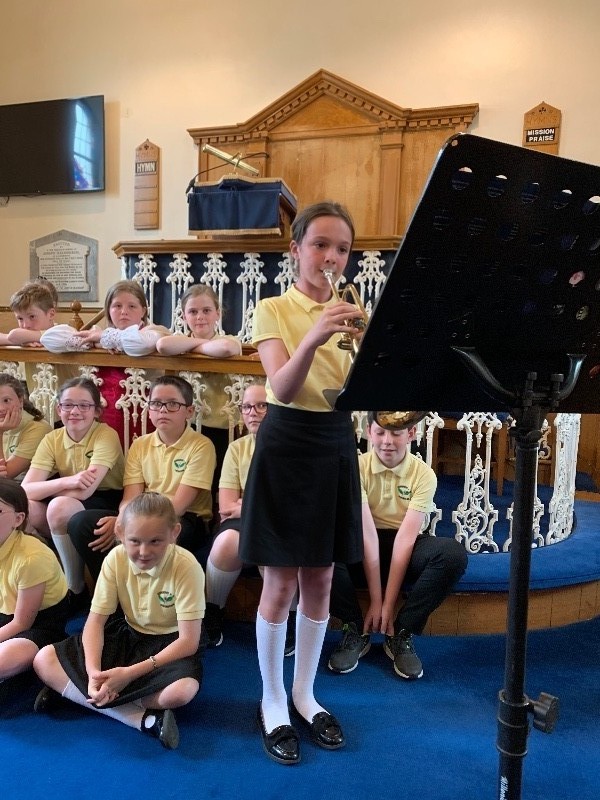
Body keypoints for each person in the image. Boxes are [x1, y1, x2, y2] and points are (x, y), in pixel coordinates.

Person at [238, 201, 364, 765]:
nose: (331, 257)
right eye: (320, 245)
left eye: (342, 249)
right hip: (287, 440)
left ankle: (305, 694)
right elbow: (283, 388)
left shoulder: (353, 311)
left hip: (335, 440)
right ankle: (272, 701)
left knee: (321, 577)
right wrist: (315, 334)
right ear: (295, 250)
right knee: (280, 582)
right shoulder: (272, 308)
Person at [33, 492, 205, 750]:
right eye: (134, 541)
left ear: (174, 533)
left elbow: (188, 642)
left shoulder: (186, 566)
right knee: (43, 659)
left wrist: (128, 674)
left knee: (181, 692)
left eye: (155, 541)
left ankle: (76, 694)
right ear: (121, 533)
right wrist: (93, 673)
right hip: (128, 634)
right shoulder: (115, 559)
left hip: (169, 646)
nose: (144, 552)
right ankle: (143, 720)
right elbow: (95, 622)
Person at [328, 412, 468, 679]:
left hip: (405, 546)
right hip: (362, 545)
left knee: (452, 555)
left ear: (411, 434)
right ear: (369, 433)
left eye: (396, 433)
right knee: (321, 547)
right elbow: (367, 535)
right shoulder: (355, 468)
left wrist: (388, 604)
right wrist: (375, 600)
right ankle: (354, 627)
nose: (387, 441)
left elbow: (405, 539)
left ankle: (401, 631)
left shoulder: (424, 474)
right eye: (380, 433)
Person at [67, 375, 216, 582]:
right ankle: (110, 589)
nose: (163, 410)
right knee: (81, 523)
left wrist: (133, 526)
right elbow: (130, 497)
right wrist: (122, 520)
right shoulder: (140, 444)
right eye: (156, 404)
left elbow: (179, 507)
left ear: (189, 411)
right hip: (140, 511)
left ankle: (150, 596)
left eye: (172, 404)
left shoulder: (201, 445)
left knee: (153, 536)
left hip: (184, 519)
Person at [203, 381, 297, 652]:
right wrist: (263, 504)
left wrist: (247, 503)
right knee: (226, 543)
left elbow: (293, 504)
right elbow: (226, 507)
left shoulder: (293, 446)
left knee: (275, 546)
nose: (252, 413)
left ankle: (286, 618)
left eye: (261, 406)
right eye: (246, 407)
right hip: (244, 522)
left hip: (283, 523)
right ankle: (213, 611)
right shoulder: (237, 449)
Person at [21, 378, 124, 609]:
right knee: (27, 507)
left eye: (84, 405)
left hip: (107, 498)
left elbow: (85, 490)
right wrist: (68, 480)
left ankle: (74, 587)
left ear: (96, 411)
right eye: (68, 405)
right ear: (59, 409)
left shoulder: (105, 434)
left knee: (59, 507)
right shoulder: (53, 438)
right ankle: (56, 577)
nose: (75, 411)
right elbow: (25, 489)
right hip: (68, 494)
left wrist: (65, 485)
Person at [41, 279, 169, 448]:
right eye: (117, 306)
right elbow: (48, 339)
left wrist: (103, 338)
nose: (124, 312)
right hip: (104, 418)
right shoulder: (95, 333)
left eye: (132, 306)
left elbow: (140, 343)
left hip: (140, 414)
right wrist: (94, 342)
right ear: (108, 310)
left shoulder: (156, 330)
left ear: (143, 310)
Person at [156, 284, 242, 506]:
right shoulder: (178, 341)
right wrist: (202, 345)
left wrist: (192, 346)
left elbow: (225, 349)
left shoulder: (229, 339)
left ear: (218, 313)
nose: (200, 317)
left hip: (223, 427)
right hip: (189, 427)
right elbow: (163, 345)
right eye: (193, 311)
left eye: (206, 310)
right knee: (191, 482)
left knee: (219, 483)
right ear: (183, 316)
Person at [0, 478, 69, 689]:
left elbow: (22, 623)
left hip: (37, 625)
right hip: (5, 615)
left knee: (5, 659)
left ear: (18, 519)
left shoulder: (31, 558)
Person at [1, 278, 77, 389]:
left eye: (32, 316)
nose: (25, 325)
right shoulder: (24, 337)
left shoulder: (62, 331)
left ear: (51, 314)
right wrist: (21, 341)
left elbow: (14, 335)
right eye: (20, 318)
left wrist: (22, 338)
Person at [0, 373, 52, 482]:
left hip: (21, 487)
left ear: (20, 401)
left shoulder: (38, 428)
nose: (1, 408)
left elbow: (4, 477)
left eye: (6, 400)